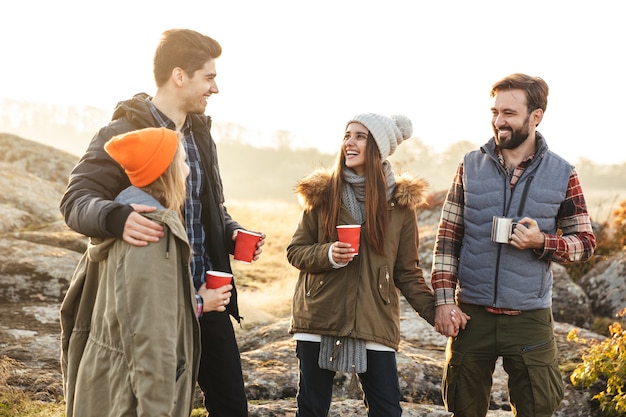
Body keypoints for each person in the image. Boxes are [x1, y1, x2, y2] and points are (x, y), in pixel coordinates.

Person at [59, 29, 265, 416]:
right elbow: (75, 200)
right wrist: (115, 217)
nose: (215, 88)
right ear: (179, 76)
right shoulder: (120, 132)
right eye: (209, 77)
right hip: (151, 306)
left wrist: (231, 231)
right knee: (157, 403)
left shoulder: (200, 133)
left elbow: (209, 206)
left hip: (208, 295)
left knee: (232, 405)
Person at [431, 73, 597, 417]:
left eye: (508, 113)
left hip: (529, 317)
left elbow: (585, 243)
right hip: (471, 316)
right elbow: (447, 240)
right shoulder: (469, 165)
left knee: (538, 407)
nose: (498, 121)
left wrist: (543, 242)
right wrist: (445, 302)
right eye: (494, 112)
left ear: (535, 116)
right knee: (462, 406)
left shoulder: (562, 173)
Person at [286, 113, 466, 417]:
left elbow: (406, 271)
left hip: (374, 318)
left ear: (378, 148)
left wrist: (434, 311)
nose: (349, 143)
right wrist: (328, 254)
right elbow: (296, 251)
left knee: (386, 410)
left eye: (360, 136)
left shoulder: (400, 204)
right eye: (347, 135)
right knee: (312, 410)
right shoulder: (322, 193)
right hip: (319, 315)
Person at [60, 127, 233, 416]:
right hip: (132, 394)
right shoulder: (152, 232)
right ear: (165, 171)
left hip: (108, 379)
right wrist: (200, 303)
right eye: (183, 162)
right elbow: (151, 334)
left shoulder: (122, 218)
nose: (188, 172)